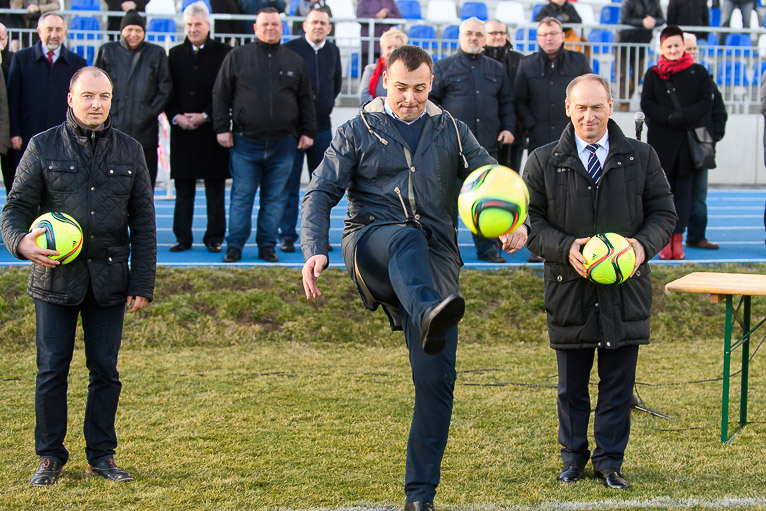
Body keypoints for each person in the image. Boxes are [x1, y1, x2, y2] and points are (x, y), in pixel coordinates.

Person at [300, 44, 527, 511]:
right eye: (401, 88)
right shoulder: (356, 130)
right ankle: (426, 312)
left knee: (437, 382)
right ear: (386, 81)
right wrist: (313, 249)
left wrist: (516, 221)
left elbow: (491, 176)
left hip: (436, 262)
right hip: (372, 246)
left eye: (420, 88)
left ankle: (419, 496)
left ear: (431, 85)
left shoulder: (453, 130)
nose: (410, 98)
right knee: (405, 238)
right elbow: (320, 191)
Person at [0, 66, 156, 486]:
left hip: (109, 282)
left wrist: (142, 282)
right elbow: (14, 208)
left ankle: (101, 456)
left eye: (103, 97)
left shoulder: (130, 150)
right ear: (70, 98)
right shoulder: (42, 146)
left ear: (111, 100)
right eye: (87, 96)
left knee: (105, 371)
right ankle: (50, 457)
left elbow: (143, 220)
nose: (96, 104)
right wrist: (20, 243)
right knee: (52, 370)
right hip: (54, 281)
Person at [523, 73, 676, 490]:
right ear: (567, 109)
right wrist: (565, 246)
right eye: (581, 107)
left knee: (617, 385)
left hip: (626, 289)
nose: (588, 116)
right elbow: (530, 222)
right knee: (571, 386)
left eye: (597, 107)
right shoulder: (541, 160)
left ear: (611, 107)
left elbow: (664, 214)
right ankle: (573, 458)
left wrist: (642, 247)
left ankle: (610, 462)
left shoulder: (642, 157)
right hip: (568, 288)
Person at [212, 7, 316, 263]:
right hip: (245, 142)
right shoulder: (237, 57)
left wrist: (308, 131)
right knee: (242, 196)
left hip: (284, 144)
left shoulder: (294, 60)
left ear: (282, 28)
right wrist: (222, 127)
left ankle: (267, 246)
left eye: (275, 24)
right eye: (265, 25)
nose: (270, 28)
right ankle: (234, 246)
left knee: (275, 198)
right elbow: (221, 94)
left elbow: (305, 99)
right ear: (255, 29)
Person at [430, 17, 517, 264]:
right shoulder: (443, 67)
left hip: (486, 147)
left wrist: (509, 128)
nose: (474, 38)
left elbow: (507, 102)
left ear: (485, 38)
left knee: (486, 200)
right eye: (469, 33)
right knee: (447, 202)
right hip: (450, 148)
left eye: (479, 34)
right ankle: (447, 250)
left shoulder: (496, 69)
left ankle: (488, 249)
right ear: (460, 36)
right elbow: (432, 102)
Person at [514, 16, 590, 262]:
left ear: (562, 35)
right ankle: (540, 245)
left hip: (572, 138)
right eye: (543, 34)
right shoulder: (527, 65)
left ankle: (576, 241)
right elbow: (520, 101)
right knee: (540, 194)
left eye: (553, 33)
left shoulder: (579, 61)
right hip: (539, 140)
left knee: (574, 191)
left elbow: (588, 93)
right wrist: (532, 125)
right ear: (538, 38)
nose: (549, 38)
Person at [641, 25, 713, 260]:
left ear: (684, 46)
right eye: (668, 46)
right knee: (662, 194)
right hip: (662, 143)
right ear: (661, 48)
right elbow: (648, 104)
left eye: (677, 45)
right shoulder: (653, 74)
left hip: (687, 144)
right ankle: (663, 240)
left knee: (684, 194)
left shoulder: (699, 72)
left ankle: (678, 241)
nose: (673, 50)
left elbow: (705, 103)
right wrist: (671, 117)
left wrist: (682, 117)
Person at [167, 1, 231, 253]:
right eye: (189, 24)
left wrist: (205, 115)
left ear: (208, 25)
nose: (193, 29)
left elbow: (225, 91)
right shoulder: (173, 54)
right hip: (182, 131)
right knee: (184, 190)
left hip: (211, 129)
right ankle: (182, 238)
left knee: (214, 189)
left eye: (198, 24)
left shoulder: (224, 52)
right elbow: (167, 91)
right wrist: (176, 116)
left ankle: (214, 238)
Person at [278, 7, 341, 254]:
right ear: (304, 25)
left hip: (322, 129)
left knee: (321, 189)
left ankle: (318, 239)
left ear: (329, 27)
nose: (318, 26)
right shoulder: (291, 49)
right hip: (293, 131)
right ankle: (287, 235)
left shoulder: (333, 51)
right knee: (290, 186)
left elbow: (335, 85)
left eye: (322, 23)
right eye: (313, 22)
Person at [95, 9, 173, 189]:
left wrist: (147, 113)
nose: (133, 34)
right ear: (121, 30)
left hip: (145, 135)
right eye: (129, 29)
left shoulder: (157, 53)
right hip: (111, 133)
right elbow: (95, 85)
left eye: (138, 30)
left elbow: (166, 88)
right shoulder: (107, 51)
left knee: (144, 190)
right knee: (110, 191)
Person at [7, 12, 86, 167]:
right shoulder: (21, 59)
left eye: (58, 30)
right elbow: (12, 99)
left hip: (65, 141)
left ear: (65, 32)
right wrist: (14, 132)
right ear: (39, 31)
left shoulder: (78, 63)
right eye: (49, 29)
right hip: (27, 137)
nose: (53, 35)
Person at [684, 33, 727, 251]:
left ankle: (696, 236)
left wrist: (713, 136)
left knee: (699, 196)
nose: (692, 53)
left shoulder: (706, 80)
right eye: (687, 48)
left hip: (702, 148)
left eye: (694, 50)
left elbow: (720, 112)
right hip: (677, 149)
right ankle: (668, 241)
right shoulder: (668, 79)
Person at [483, 18, 524, 172]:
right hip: (486, 131)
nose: (498, 36)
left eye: (502, 32)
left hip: (515, 132)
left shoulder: (520, 60)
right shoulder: (479, 61)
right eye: (493, 32)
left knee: (511, 176)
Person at [616, 0, 664, 111]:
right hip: (624, 41)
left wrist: (654, 21)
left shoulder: (655, 2)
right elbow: (624, 19)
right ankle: (623, 105)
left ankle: (625, 99)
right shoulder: (628, 1)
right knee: (622, 75)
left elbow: (662, 19)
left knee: (638, 74)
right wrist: (642, 22)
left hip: (642, 43)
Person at [359, 28, 407, 105]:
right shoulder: (370, 69)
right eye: (389, 47)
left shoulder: (409, 71)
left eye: (396, 47)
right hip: (374, 113)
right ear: (383, 49)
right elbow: (364, 96)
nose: (392, 51)